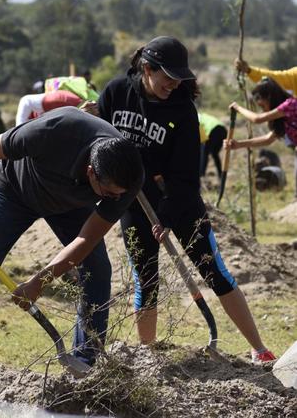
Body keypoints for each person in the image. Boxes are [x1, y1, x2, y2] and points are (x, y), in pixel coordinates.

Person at [98, 36, 276, 364]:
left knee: (215, 272)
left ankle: (259, 347)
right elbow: (98, 139)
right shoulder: (115, 92)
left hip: (179, 204)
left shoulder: (182, 110)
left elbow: (186, 177)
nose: (174, 83)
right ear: (147, 68)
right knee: (146, 279)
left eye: (179, 76)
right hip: (134, 205)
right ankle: (147, 355)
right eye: (168, 76)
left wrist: (165, 217)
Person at [0, 107, 144, 365]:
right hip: (13, 191)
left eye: (119, 195)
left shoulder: (128, 180)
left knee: (97, 269)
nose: (115, 200)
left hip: (69, 206)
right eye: (108, 194)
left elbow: (85, 241)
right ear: (90, 172)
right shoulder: (55, 130)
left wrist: (40, 281)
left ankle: (85, 361)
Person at [226, 76, 297, 154]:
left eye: (262, 106)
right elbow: (268, 139)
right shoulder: (283, 118)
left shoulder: (291, 105)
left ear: (270, 97)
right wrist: (239, 144)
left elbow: (257, 119)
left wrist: (238, 108)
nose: (263, 111)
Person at [198, 111, 227, 177]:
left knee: (204, 153)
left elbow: (201, 139)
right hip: (223, 130)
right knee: (215, 153)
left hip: (213, 130)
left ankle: (201, 175)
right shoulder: (204, 115)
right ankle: (221, 175)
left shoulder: (196, 117)